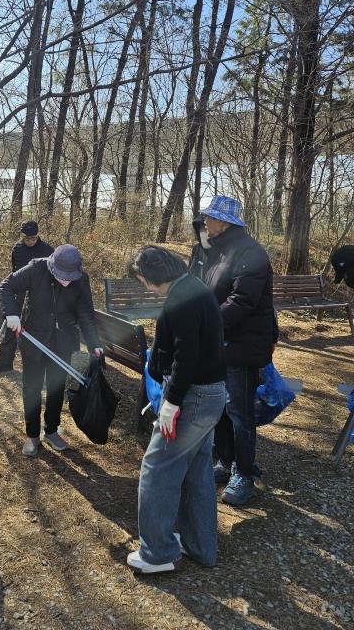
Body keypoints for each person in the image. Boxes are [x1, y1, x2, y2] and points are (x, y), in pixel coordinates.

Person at [126, 246, 225, 574]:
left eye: (141, 278)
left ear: (151, 275)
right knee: (197, 472)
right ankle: (201, 546)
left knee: (157, 469)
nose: (143, 284)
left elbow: (187, 355)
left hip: (192, 399)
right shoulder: (194, 287)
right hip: (211, 395)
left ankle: (157, 553)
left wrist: (171, 402)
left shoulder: (181, 298)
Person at [200, 195, 277, 506]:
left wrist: (206, 324)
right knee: (221, 407)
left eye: (209, 217)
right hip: (221, 343)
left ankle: (244, 474)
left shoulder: (250, 253)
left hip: (242, 345)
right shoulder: (220, 250)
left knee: (240, 413)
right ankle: (225, 461)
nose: (204, 221)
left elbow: (242, 301)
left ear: (223, 222)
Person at [0, 244, 102, 456]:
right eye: (62, 276)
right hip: (34, 340)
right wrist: (11, 313)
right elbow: (6, 285)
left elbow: (86, 312)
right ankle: (32, 435)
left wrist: (94, 343)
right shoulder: (36, 268)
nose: (66, 281)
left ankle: (52, 431)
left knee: (56, 388)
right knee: (32, 388)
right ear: (53, 266)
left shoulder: (82, 279)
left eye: (70, 277)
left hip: (63, 342)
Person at [0, 221, 54, 374]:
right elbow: (14, 273)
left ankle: (39, 364)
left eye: (33, 238)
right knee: (11, 326)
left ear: (38, 235)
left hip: (38, 296)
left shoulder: (48, 250)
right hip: (19, 293)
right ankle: (5, 362)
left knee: (38, 329)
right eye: (26, 238)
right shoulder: (17, 249)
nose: (30, 241)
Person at [188, 214, 211, 280]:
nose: (202, 232)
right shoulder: (197, 248)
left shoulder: (224, 253)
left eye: (206, 229)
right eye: (201, 228)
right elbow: (189, 271)